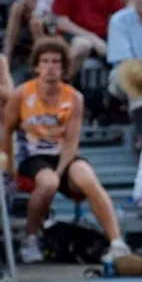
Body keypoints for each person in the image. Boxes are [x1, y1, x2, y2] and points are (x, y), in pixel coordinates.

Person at [5, 38, 131, 264]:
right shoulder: (22, 94)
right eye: (45, 61)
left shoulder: (74, 98)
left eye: (56, 62)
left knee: (87, 178)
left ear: (64, 68)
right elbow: (6, 131)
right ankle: (31, 238)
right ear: (36, 66)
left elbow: (72, 141)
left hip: (62, 155)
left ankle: (117, 242)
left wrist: (62, 170)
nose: (51, 66)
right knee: (48, 183)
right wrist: (11, 168)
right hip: (31, 156)